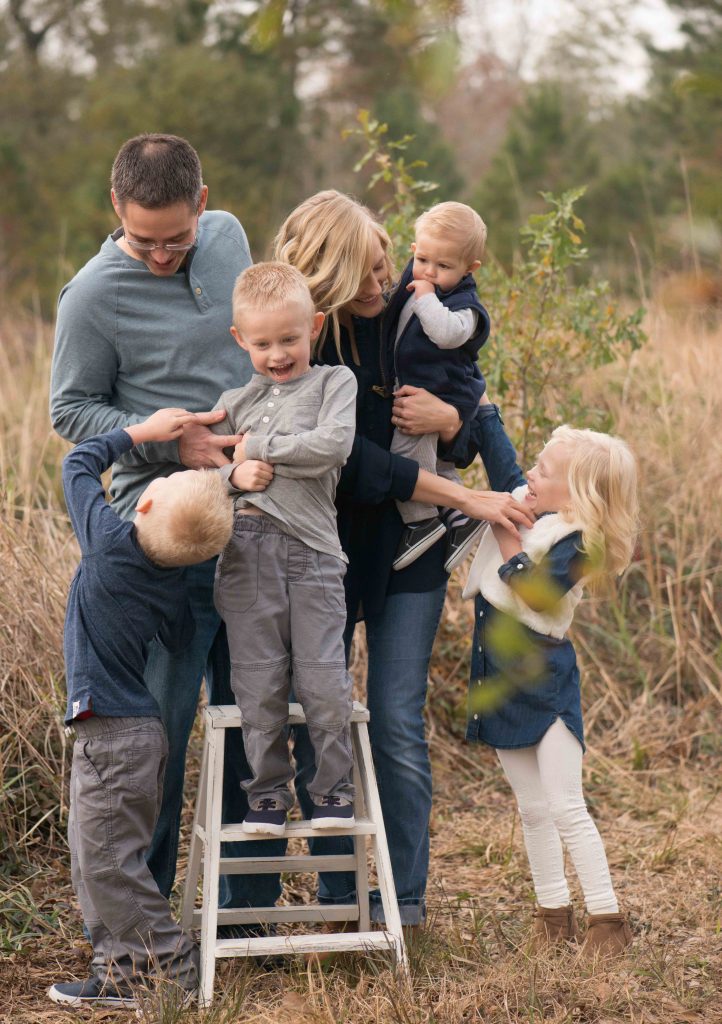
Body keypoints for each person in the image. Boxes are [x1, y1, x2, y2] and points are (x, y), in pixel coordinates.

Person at [273, 189, 534, 930]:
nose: (386, 278)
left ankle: (402, 903)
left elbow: (469, 399)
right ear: (327, 273)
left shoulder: (406, 312)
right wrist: (467, 495)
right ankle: (335, 900)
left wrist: (453, 423)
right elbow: (350, 464)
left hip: (410, 549)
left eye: (389, 260)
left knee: (394, 718)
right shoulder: (295, 343)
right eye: (367, 269)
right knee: (315, 722)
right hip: (318, 552)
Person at [49, 133, 279, 913]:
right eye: (144, 239)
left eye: (175, 238)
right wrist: (165, 433)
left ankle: (243, 917)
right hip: (163, 538)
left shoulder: (228, 239)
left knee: (253, 721)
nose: (160, 254)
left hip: (252, 519)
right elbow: (70, 411)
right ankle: (143, 936)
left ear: (204, 207)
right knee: (158, 736)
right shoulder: (89, 296)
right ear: (116, 209)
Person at [48, 409, 233, 1009]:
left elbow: (77, 462)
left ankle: (177, 963)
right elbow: (181, 640)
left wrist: (142, 434)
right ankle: (117, 975)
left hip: (113, 735)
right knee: (93, 860)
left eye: (162, 483)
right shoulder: (173, 579)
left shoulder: (108, 545)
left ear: (146, 508)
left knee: (110, 865)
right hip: (135, 734)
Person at [462, 409, 638, 957]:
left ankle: (608, 921)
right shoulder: (534, 508)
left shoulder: (580, 541)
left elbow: (538, 594)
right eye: (534, 465)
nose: (529, 475)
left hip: (547, 688)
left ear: (576, 492)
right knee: (531, 808)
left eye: (543, 469)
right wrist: (480, 406)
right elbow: (501, 456)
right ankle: (551, 916)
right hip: (499, 680)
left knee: (565, 803)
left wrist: (503, 529)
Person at [211, 262, 357, 835]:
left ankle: (331, 791)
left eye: (290, 339)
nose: (278, 354)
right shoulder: (232, 401)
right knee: (258, 682)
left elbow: (333, 445)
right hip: (246, 553)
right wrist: (233, 476)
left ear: (314, 327)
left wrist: (259, 447)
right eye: (263, 343)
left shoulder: (332, 384)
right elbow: (213, 472)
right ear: (239, 340)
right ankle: (267, 794)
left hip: (315, 554)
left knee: (323, 681)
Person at [388, 201, 491, 574]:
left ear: (469, 269)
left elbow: (446, 335)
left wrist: (426, 295)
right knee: (432, 464)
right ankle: (460, 519)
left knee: (405, 456)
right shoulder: (412, 279)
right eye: (424, 259)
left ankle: (423, 522)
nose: (429, 272)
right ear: (414, 249)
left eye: (443, 266)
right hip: (419, 391)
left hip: (443, 394)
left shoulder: (465, 307)